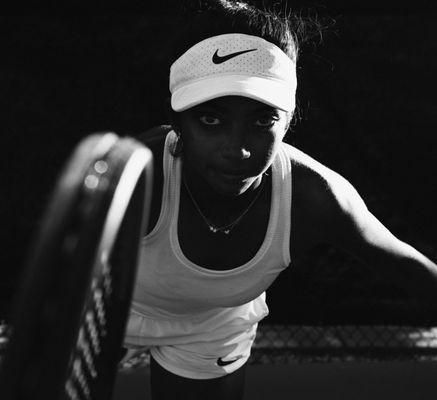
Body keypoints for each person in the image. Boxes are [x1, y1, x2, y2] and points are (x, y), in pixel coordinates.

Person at [123, 1, 437, 399]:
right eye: (211, 120)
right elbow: (63, 267)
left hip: (213, 328)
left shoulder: (314, 197)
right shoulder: (137, 172)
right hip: (109, 308)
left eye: (262, 120)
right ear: (178, 120)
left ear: (288, 120)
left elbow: (410, 270)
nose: (237, 151)